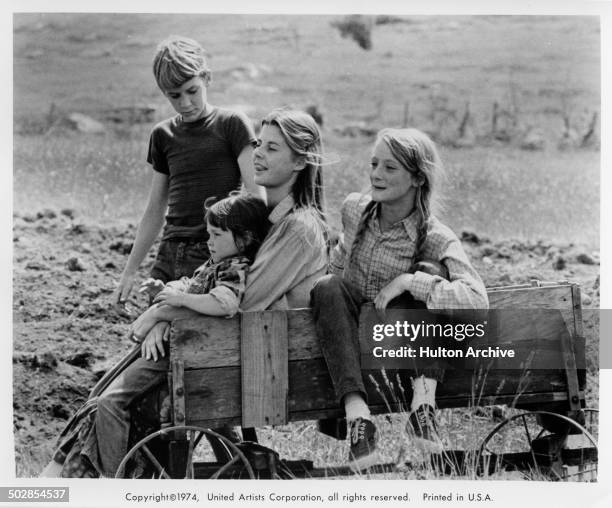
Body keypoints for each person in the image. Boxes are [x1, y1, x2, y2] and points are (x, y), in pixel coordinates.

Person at [41, 108, 329, 478]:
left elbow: (243, 301)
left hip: (245, 356)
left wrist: (163, 315)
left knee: (116, 399)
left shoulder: (298, 228)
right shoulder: (262, 216)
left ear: (300, 161)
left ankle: (93, 481)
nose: (258, 153)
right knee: (107, 390)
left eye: (272, 148)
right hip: (219, 345)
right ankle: (67, 475)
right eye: (259, 143)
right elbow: (208, 277)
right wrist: (167, 313)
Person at [310, 128, 489, 472]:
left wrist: (410, 282)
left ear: (418, 178)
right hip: (353, 347)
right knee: (328, 286)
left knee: (427, 275)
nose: (376, 174)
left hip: (403, 351)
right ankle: (359, 422)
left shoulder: (437, 236)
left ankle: (423, 410)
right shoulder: (354, 209)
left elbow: (476, 303)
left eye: (390, 168)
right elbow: (338, 261)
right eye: (374, 163)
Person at [113, 35, 262, 314]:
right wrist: (129, 272)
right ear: (163, 92)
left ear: (206, 78)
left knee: (189, 340)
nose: (185, 103)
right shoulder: (162, 135)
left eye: (192, 91)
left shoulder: (232, 124)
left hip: (213, 253)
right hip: (168, 253)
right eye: (174, 95)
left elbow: (256, 197)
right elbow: (155, 208)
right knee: (153, 339)